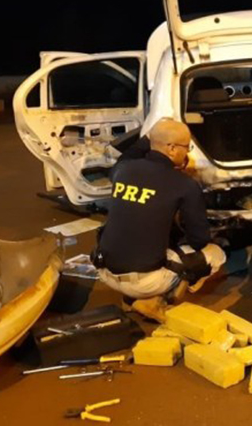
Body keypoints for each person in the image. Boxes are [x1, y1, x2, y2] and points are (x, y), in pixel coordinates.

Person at [93, 119, 226, 321]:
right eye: (186, 147)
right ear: (172, 148)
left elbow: (131, 155)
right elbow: (199, 239)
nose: (188, 153)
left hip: (104, 271)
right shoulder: (184, 184)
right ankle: (154, 301)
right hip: (145, 282)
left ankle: (129, 300)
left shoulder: (122, 170)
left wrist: (155, 133)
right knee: (214, 254)